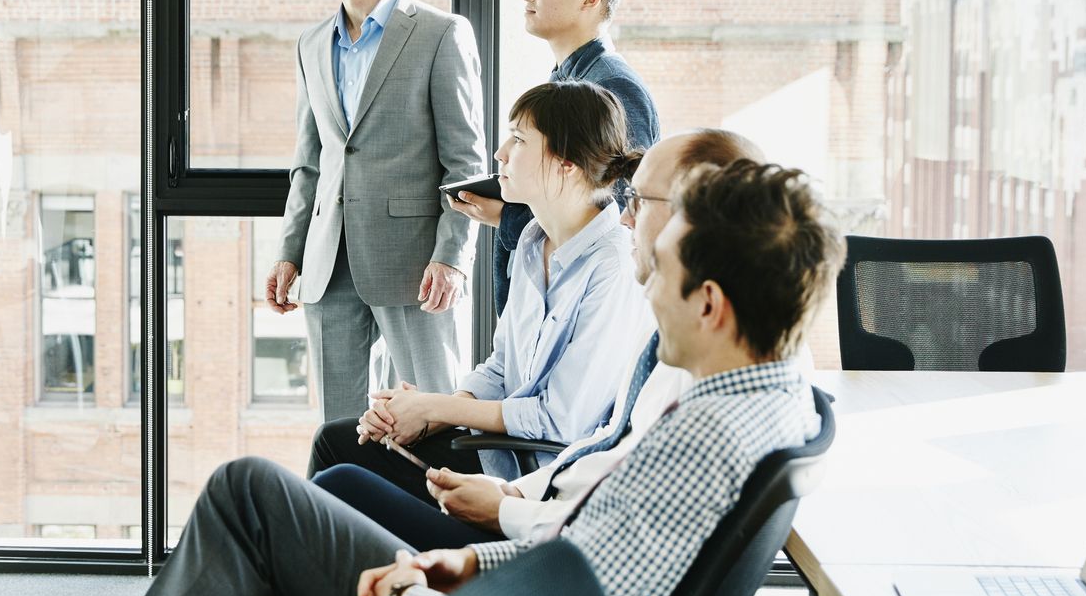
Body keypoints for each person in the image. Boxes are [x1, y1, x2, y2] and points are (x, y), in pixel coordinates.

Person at [0, 159, 842, 596]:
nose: (646, 285)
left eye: (664, 272)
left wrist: (432, 595)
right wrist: (458, 561)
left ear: (714, 304)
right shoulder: (773, 399)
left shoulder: (703, 441)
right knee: (250, 492)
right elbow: (588, 573)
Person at [308, 128, 764, 559]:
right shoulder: (537, 248)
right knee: (335, 460)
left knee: (326, 489)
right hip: (533, 491)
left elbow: (604, 511)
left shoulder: (700, 375)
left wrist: (500, 503)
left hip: (534, 527)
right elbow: (602, 446)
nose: (626, 216)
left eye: (641, 202)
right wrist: (441, 421)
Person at [306, 79, 649, 505]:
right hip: (494, 453)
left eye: (520, 139)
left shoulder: (613, 267)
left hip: (535, 487)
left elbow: (561, 421)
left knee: (340, 470)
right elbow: (501, 369)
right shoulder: (531, 240)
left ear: (566, 164)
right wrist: (431, 418)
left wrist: (437, 409)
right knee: (338, 442)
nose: (501, 152)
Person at [264, 0, 487, 424]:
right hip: (326, 263)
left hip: (415, 266)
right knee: (340, 427)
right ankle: (343, 509)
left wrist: (453, 255)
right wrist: (289, 251)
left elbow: (465, 161)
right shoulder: (313, 43)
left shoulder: (440, 34)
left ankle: (430, 509)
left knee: (431, 415)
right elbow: (310, 162)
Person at [450, 0, 659, 314]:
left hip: (579, 304)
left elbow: (617, 207)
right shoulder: (567, 79)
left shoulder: (613, 86)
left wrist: (506, 215)